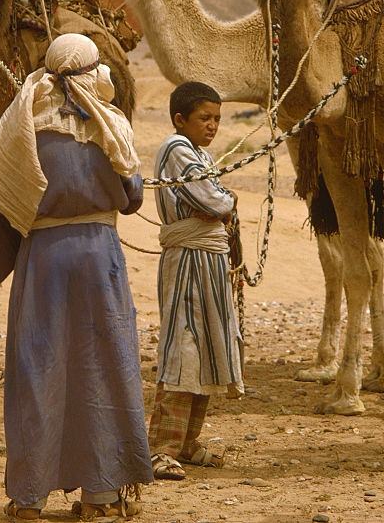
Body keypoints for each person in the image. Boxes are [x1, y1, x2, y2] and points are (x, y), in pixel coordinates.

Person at [0, 33, 152, 520]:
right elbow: (134, 194)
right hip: (99, 260)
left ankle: (29, 500)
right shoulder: (112, 126)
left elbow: (7, 204)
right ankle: (100, 497)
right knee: (104, 364)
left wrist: (4, 259)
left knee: (38, 371)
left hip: (43, 261)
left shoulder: (23, 128)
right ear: (95, 71)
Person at [147, 81, 243, 481]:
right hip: (188, 258)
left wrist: (222, 203)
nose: (213, 126)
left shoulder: (200, 154)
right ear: (179, 119)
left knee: (205, 347)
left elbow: (215, 198)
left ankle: (186, 445)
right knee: (183, 348)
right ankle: (160, 450)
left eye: (218, 119)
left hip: (209, 259)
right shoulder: (176, 149)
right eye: (205, 118)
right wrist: (226, 202)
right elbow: (212, 199)